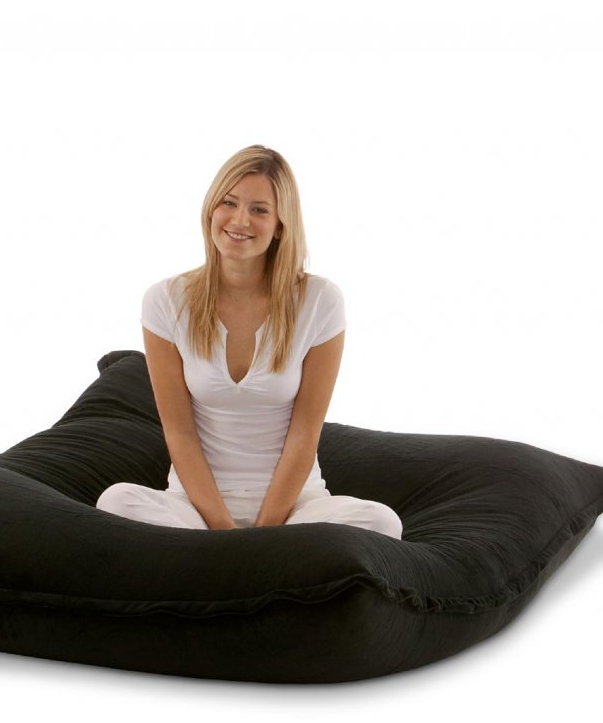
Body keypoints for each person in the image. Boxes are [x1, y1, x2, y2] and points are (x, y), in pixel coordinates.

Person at [96, 145, 403, 539]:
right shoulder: (166, 300)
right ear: (211, 209)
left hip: (294, 507)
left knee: (382, 522)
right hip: (195, 508)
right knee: (116, 501)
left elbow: (305, 432)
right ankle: (251, 564)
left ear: (280, 225)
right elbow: (180, 433)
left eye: (259, 210)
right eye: (229, 202)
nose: (240, 220)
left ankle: (217, 566)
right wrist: (224, 532)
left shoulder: (319, 300)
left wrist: (264, 534)